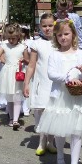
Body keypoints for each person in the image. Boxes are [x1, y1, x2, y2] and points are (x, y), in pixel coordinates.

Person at [36, 19, 82, 164]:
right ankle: (60, 155)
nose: (63, 37)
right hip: (60, 95)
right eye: (59, 35)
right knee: (60, 130)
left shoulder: (81, 54)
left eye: (66, 34)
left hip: (77, 97)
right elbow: (51, 73)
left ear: (73, 35)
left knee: (76, 131)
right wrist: (67, 78)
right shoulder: (55, 54)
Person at [23, 13, 56, 156]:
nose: (47, 28)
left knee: (54, 112)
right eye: (44, 26)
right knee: (42, 111)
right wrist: (26, 83)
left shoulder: (60, 41)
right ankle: (42, 141)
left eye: (50, 25)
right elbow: (31, 65)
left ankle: (51, 141)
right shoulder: (36, 43)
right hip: (42, 82)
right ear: (40, 27)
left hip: (55, 83)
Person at [0, 24, 28, 129]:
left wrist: (23, 60)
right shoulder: (4, 45)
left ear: (18, 36)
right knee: (10, 98)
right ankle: (11, 118)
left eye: (13, 38)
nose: (11, 40)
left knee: (17, 97)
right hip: (7, 73)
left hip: (18, 73)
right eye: (9, 38)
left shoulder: (23, 47)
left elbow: (28, 60)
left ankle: (16, 120)